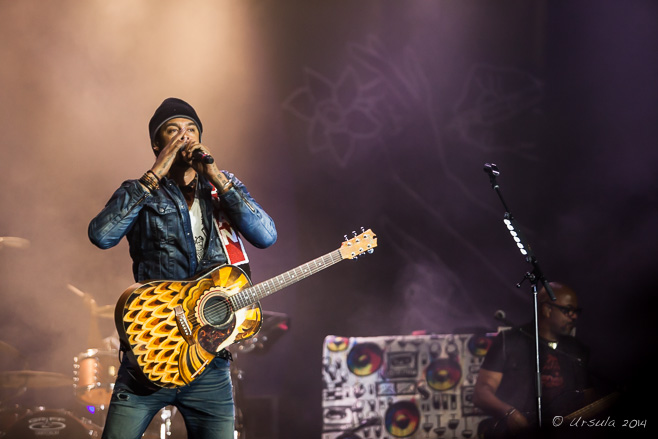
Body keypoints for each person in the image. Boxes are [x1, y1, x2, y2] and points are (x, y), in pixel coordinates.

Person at [88, 97, 277, 439]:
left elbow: (266, 236)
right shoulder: (141, 191)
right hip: (150, 351)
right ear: (157, 144)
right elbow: (101, 235)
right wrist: (155, 174)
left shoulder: (222, 189)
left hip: (209, 362)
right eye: (173, 131)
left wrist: (217, 176)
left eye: (191, 130)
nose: (185, 136)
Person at [473, 282, 595, 438]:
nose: (574, 316)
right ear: (546, 309)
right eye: (568, 310)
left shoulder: (576, 349)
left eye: (576, 311)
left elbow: (589, 398)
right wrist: (510, 414)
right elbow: (481, 393)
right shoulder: (509, 340)